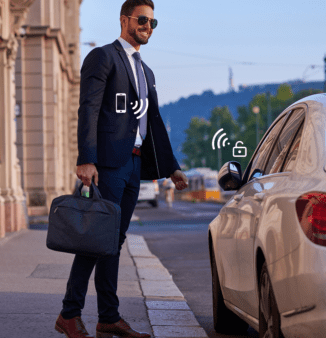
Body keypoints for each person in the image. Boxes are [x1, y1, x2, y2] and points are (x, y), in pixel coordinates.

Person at [55, 1, 188, 337]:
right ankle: (69, 314)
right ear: (125, 19)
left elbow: (153, 123)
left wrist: (172, 167)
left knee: (113, 241)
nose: (147, 26)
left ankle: (108, 317)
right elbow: (89, 109)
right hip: (108, 166)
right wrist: (86, 159)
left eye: (153, 23)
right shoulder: (103, 57)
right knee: (97, 239)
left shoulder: (147, 72)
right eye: (143, 19)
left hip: (134, 163)